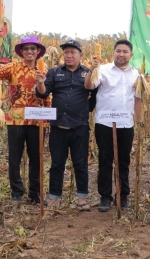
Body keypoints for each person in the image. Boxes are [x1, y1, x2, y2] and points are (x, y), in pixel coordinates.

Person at [35, 39, 94, 210]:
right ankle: (54, 197)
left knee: (81, 163)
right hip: (58, 126)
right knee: (57, 163)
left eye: (73, 52)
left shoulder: (88, 73)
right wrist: (40, 82)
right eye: (66, 52)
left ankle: (82, 198)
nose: (69, 56)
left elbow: (95, 94)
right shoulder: (54, 72)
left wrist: (86, 109)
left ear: (80, 55)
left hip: (80, 126)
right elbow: (43, 94)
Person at [85, 39, 142, 212]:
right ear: (113, 53)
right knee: (105, 160)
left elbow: (138, 99)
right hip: (104, 122)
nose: (121, 54)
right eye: (118, 51)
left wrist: (139, 120)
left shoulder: (136, 74)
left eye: (125, 51)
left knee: (123, 161)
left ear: (130, 55)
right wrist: (93, 69)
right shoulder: (102, 70)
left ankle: (122, 196)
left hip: (126, 123)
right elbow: (88, 85)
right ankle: (105, 196)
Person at [0, 36, 50, 204]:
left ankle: (35, 193)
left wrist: (48, 117)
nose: (29, 51)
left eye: (33, 48)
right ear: (22, 52)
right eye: (26, 49)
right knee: (14, 157)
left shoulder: (44, 70)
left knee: (36, 157)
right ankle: (16, 191)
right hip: (16, 119)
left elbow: (47, 94)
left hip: (37, 120)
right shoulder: (13, 67)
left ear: (38, 51)